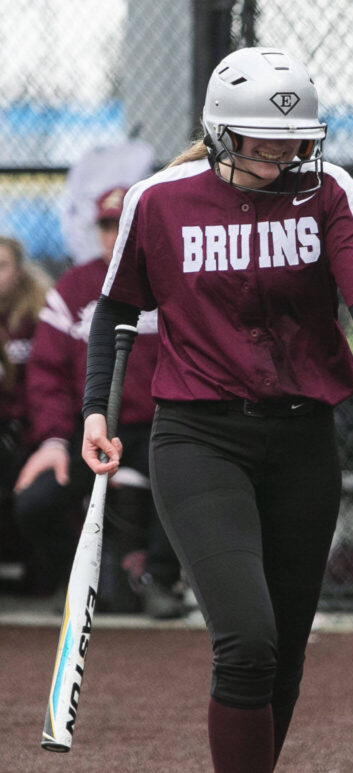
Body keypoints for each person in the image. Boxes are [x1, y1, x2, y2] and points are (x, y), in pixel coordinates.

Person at [80, 47, 353, 772]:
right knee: (246, 640)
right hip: (199, 439)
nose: (287, 151)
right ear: (221, 133)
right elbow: (116, 310)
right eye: (267, 139)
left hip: (304, 439)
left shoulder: (331, 194)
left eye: (296, 138)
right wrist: (99, 409)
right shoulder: (159, 201)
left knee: (282, 651)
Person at [14, 187, 184, 618]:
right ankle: (73, 581)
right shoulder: (73, 288)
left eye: (125, 225)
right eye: (108, 226)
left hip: (163, 426)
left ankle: (158, 582)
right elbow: (47, 375)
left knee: (185, 486)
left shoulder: (177, 281)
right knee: (34, 500)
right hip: (87, 430)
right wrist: (52, 440)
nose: (115, 236)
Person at [0, 236, 50, 586]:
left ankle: (41, 570)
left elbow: (49, 380)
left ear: (18, 270)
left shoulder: (41, 310)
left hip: (35, 425)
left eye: (2, 265)